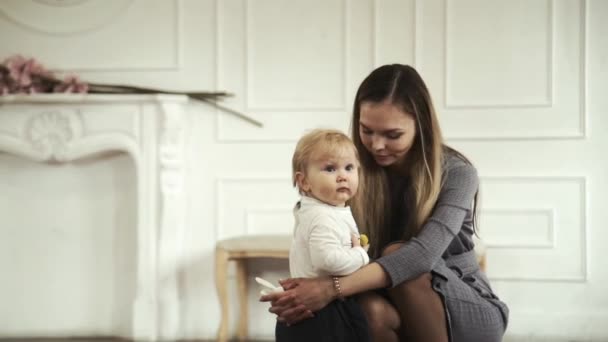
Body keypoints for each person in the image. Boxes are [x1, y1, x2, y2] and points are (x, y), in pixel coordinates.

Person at [260, 64, 509, 342]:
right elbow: (325, 234)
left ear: (421, 126)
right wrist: (299, 292)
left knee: (400, 258)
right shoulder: (351, 172)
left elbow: (420, 257)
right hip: (388, 299)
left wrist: (330, 289)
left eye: (393, 135)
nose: (377, 145)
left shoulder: (458, 174)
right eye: (367, 131)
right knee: (370, 310)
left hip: (464, 308)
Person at [274, 129, 371, 342]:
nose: (342, 175)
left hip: (323, 306)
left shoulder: (326, 210)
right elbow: (327, 260)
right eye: (330, 168)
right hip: (323, 314)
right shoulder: (322, 217)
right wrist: (360, 255)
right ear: (305, 182)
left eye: (349, 167)